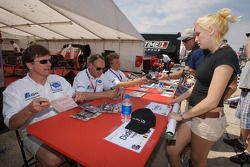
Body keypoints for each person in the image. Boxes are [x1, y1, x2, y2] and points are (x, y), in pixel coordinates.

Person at [167, 8, 240, 167]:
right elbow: (198, 86)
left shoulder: (226, 55)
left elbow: (213, 100)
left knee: (197, 161)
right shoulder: (209, 54)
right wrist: (177, 99)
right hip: (194, 115)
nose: (196, 38)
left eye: (198, 34)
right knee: (172, 151)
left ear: (211, 31)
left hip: (207, 121)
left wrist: (182, 115)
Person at [2, 44, 85, 167]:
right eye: (43, 61)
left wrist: (77, 99)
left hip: (64, 126)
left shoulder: (59, 80)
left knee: (87, 142)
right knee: (53, 159)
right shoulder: (14, 89)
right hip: (32, 134)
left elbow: (74, 100)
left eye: (50, 60)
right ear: (29, 65)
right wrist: (29, 110)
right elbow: (11, 124)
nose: (49, 64)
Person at [227, 36, 250, 165]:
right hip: (246, 91)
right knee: (244, 121)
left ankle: (248, 153)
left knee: (248, 123)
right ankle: (241, 141)